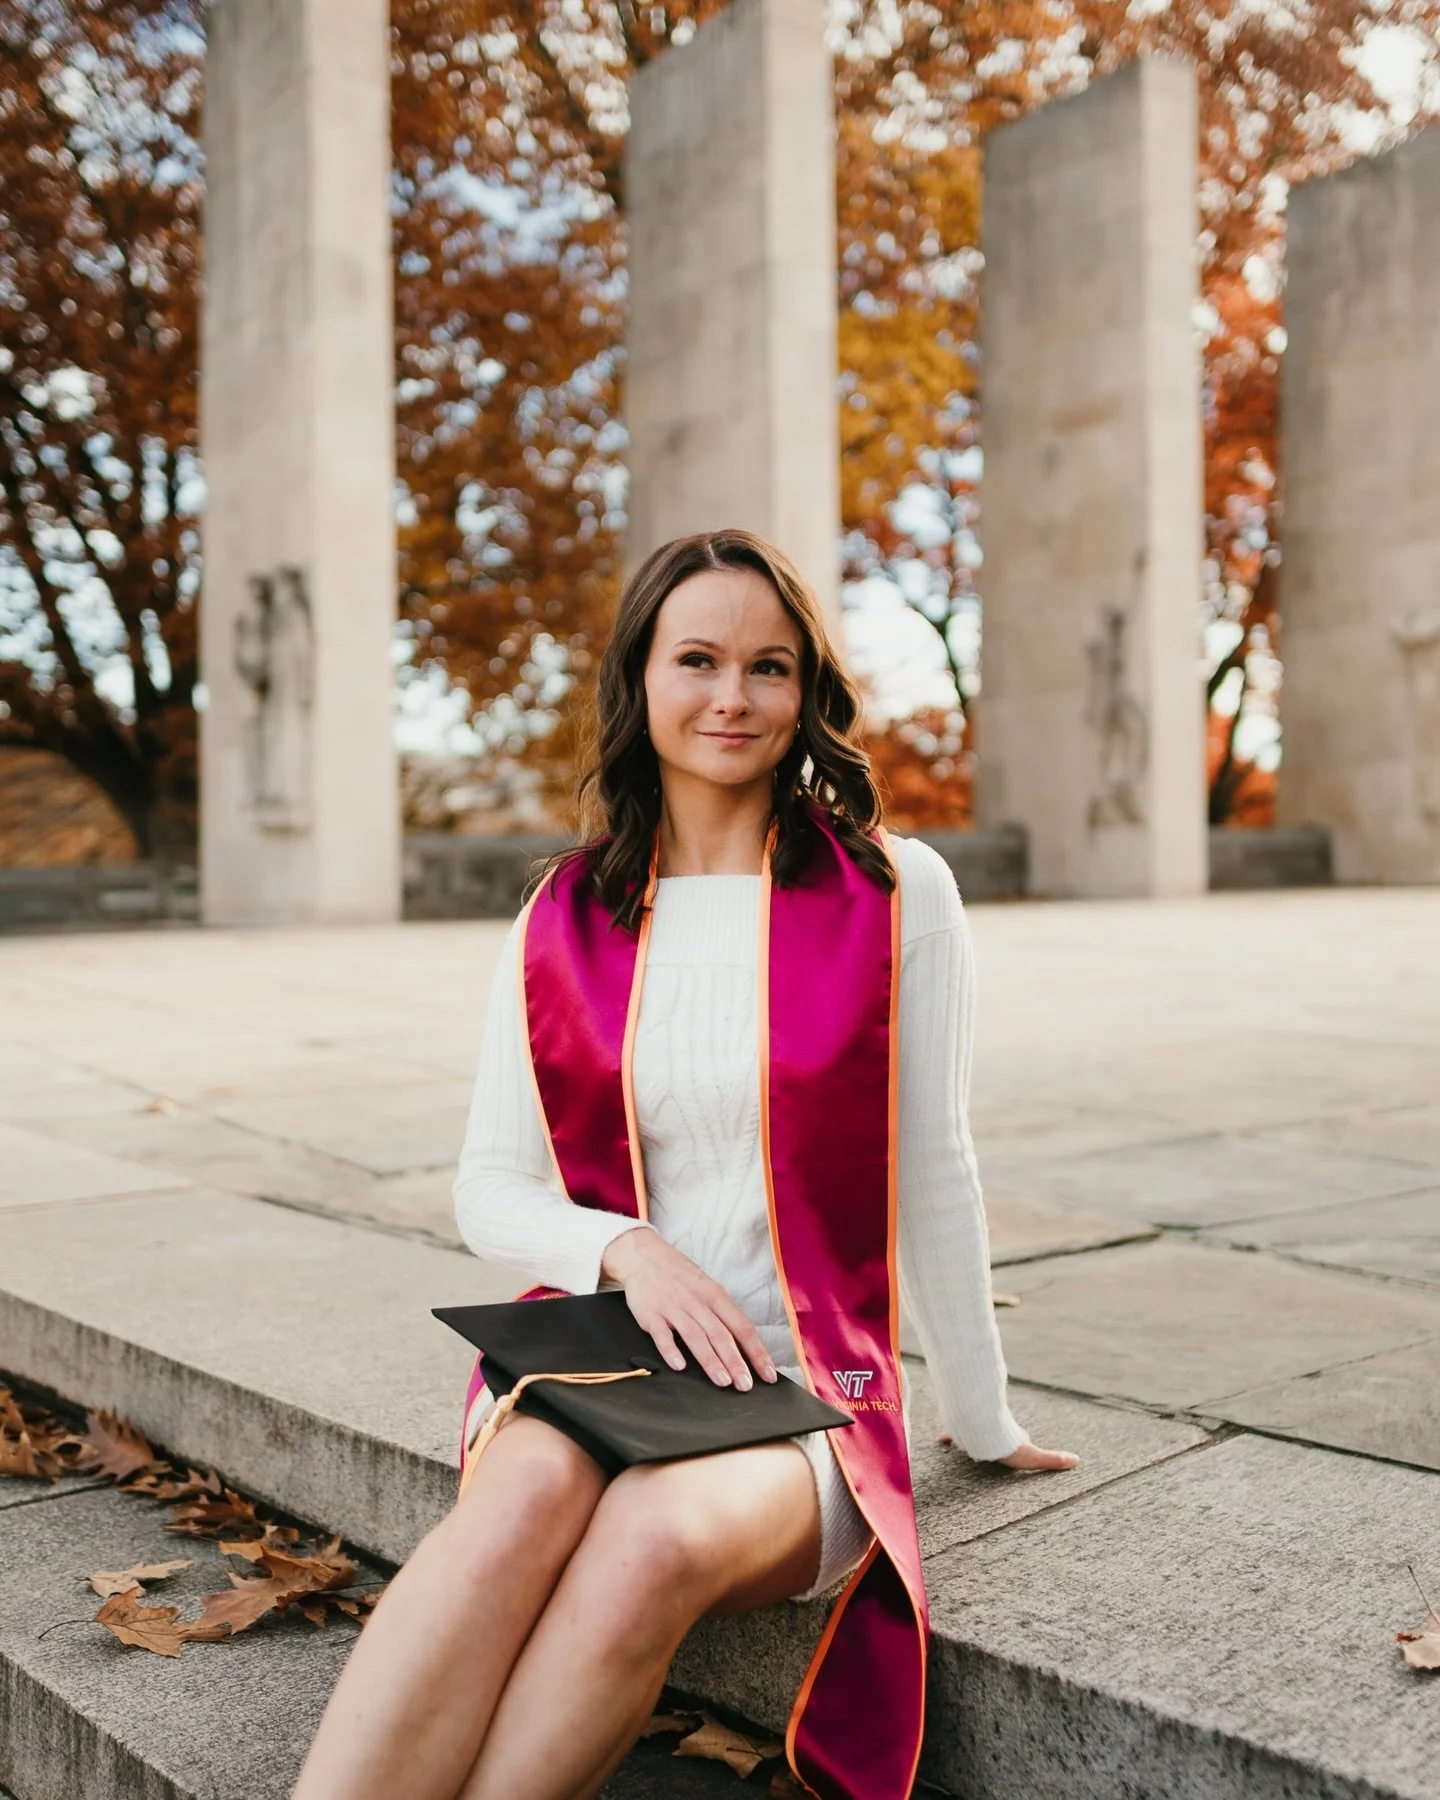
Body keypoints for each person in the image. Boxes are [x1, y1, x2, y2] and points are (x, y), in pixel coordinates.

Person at [292, 529, 1078, 1800]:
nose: (731, 697)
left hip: (807, 1385)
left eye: (768, 667)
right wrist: (628, 1248)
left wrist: (983, 1423)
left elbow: (933, 1167)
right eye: (697, 659)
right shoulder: (563, 911)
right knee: (511, 1509)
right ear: (641, 679)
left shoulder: (895, 891)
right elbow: (490, 1188)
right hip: (605, 1347)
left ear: (806, 690)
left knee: (648, 1542)